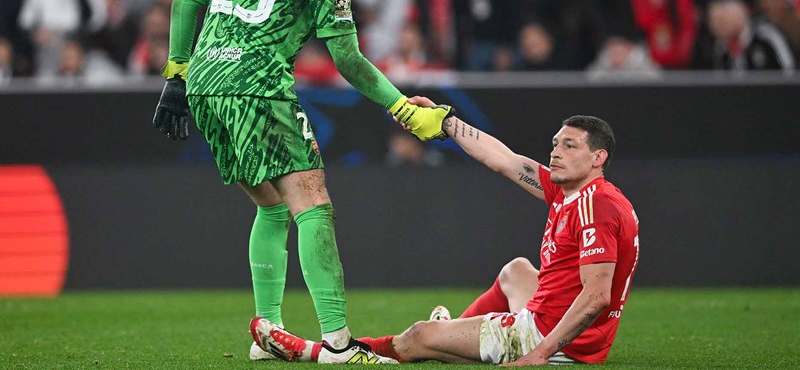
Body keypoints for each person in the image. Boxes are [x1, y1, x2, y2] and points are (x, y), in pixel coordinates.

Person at [151, 0, 451, 364]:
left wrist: (176, 76)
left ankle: (266, 331)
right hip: (257, 86)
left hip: (205, 84)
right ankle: (338, 344)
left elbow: (186, 0)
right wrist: (401, 107)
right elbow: (349, 61)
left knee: (271, 208)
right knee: (314, 204)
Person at [253, 105, 640, 365]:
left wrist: (539, 353)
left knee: (418, 336)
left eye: (569, 146)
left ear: (598, 158)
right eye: (556, 143)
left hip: (551, 336)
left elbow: (596, 296)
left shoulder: (596, 206)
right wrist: (445, 121)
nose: (556, 152)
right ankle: (453, 333)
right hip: (573, 329)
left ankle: (323, 352)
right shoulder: (572, 190)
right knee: (516, 270)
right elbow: (504, 160)